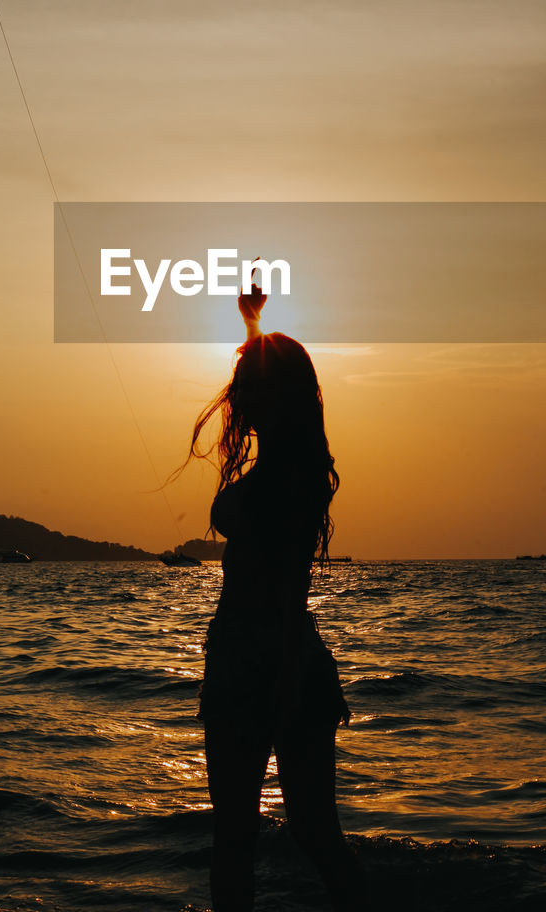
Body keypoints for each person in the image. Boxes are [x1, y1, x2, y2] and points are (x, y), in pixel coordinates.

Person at [184, 281, 363, 911]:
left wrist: (284, 672)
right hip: (256, 663)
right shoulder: (290, 467)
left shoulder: (291, 477)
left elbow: (289, 583)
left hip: (265, 665)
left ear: (279, 396)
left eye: (255, 385)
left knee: (261, 839)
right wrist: (253, 322)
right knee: (288, 836)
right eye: (244, 383)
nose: (241, 394)